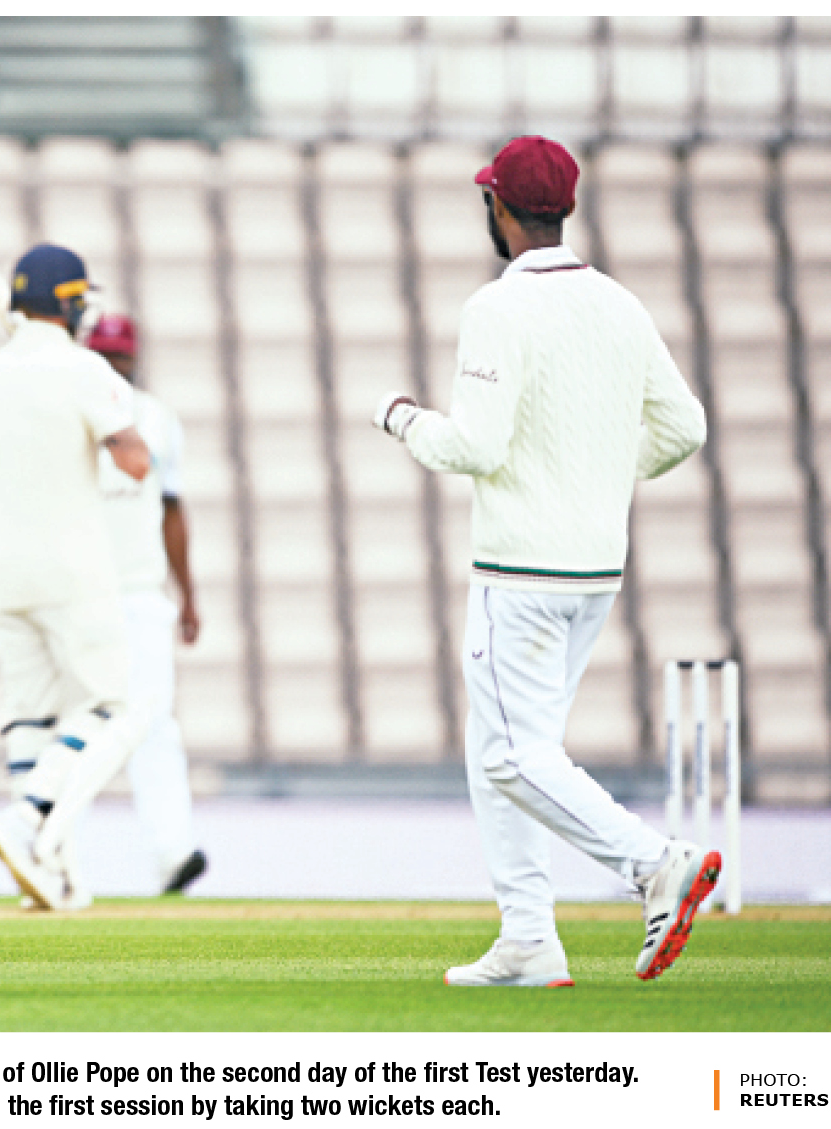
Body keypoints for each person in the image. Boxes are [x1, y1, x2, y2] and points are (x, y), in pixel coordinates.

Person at [372, 135, 715, 986]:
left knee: (510, 756)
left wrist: (403, 419)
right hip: (593, 570)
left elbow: (475, 446)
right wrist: (594, 474)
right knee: (498, 743)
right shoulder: (619, 303)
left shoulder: (498, 306)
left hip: (520, 569)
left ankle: (654, 863)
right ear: (567, 206)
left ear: (496, 206)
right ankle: (528, 938)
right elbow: (686, 428)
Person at [0, 244, 151, 910]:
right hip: (72, 564)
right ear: (69, 303)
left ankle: (50, 873)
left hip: (3, 569)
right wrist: (126, 424)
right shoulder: (84, 368)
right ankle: (26, 822)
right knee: (114, 710)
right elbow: (135, 461)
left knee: (32, 720)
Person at [84, 314, 208, 895]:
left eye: (120, 356)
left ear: (134, 358)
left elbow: (172, 509)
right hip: (82, 593)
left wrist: (187, 595)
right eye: (103, 356)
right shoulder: (74, 412)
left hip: (140, 591)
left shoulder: (157, 419)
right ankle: (53, 854)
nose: (113, 366)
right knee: (77, 723)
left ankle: (173, 853)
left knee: (155, 722)